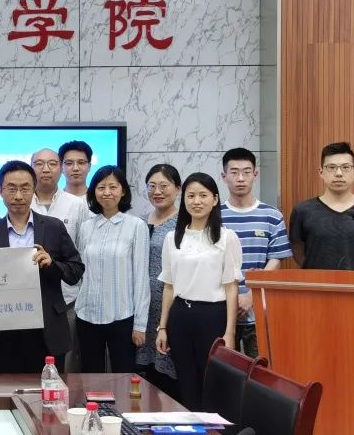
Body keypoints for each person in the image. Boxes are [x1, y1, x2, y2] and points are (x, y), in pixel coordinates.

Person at [0, 161, 84, 374]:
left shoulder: (54, 226)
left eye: (25, 188)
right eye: (11, 188)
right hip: (5, 329)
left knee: (49, 388)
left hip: (48, 328)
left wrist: (52, 264)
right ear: (0, 190)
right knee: (7, 388)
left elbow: (75, 270)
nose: (18, 195)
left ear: (34, 189)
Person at [155, 173, 242, 410]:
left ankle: (213, 431)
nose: (196, 201)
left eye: (203, 195)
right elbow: (169, 286)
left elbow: (231, 287)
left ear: (215, 199)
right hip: (181, 315)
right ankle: (191, 429)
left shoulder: (226, 237)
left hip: (213, 316)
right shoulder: (173, 238)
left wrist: (230, 332)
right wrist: (163, 327)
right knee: (186, 382)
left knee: (212, 383)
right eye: (191, 196)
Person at [74, 166, 149, 373]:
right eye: (101, 187)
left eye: (113, 187)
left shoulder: (136, 226)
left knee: (123, 377)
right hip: (87, 315)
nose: (107, 192)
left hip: (122, 316)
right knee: (91, 376)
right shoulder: (86, 227)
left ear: (123, 191)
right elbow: (81, 271)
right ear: (94, 192)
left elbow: (141, 278)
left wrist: (140, 324)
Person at [220, 148, 293, 357]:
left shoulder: (271, 215)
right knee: (224, 368)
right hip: (222, 310)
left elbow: (275, 259)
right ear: (224, 177)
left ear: (255, 174)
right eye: (234, 172)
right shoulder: (215, 216)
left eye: (246, 172)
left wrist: (251, 295)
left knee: (260, 369)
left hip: (260, 309)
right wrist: (233, 298)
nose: (240, 178)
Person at [31, 147, 88, 372]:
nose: (46, 169)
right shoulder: (21, 203)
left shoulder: (77, 205)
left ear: (61, 168)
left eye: (52, 163)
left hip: (68, 301)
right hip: (29, 300)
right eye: (39, 164)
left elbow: (81, 253)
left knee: (67, 367)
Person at [289, 142, 354, 271]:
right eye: (331, 167)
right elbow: (297, 251)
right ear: (321, 172)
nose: (339, 173)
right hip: (315, 282)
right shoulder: (302, 211)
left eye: (346, 167)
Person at [135, 164, 180, 398]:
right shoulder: (138, 222)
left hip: (169, 304)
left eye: (164, 185)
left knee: (168, 370)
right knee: (142, 373)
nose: (157, 191)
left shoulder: (184, 223)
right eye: (151, 186)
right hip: (141, 306)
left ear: (178, 189)